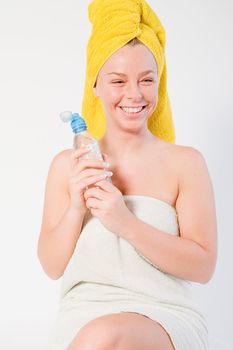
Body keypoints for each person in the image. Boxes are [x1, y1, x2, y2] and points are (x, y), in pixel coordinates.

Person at [37, 1, 218, 349]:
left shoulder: (186, 163)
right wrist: (77, 206)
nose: (134, 95)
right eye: (118, 80)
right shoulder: (68, 165)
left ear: (159, 84)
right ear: (95, 85)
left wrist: (125, 222)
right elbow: (51, 266)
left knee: (104, 336)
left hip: (164, 316)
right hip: (82, 316)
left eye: (147, 80)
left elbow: (203, 267)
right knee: (98, 334)